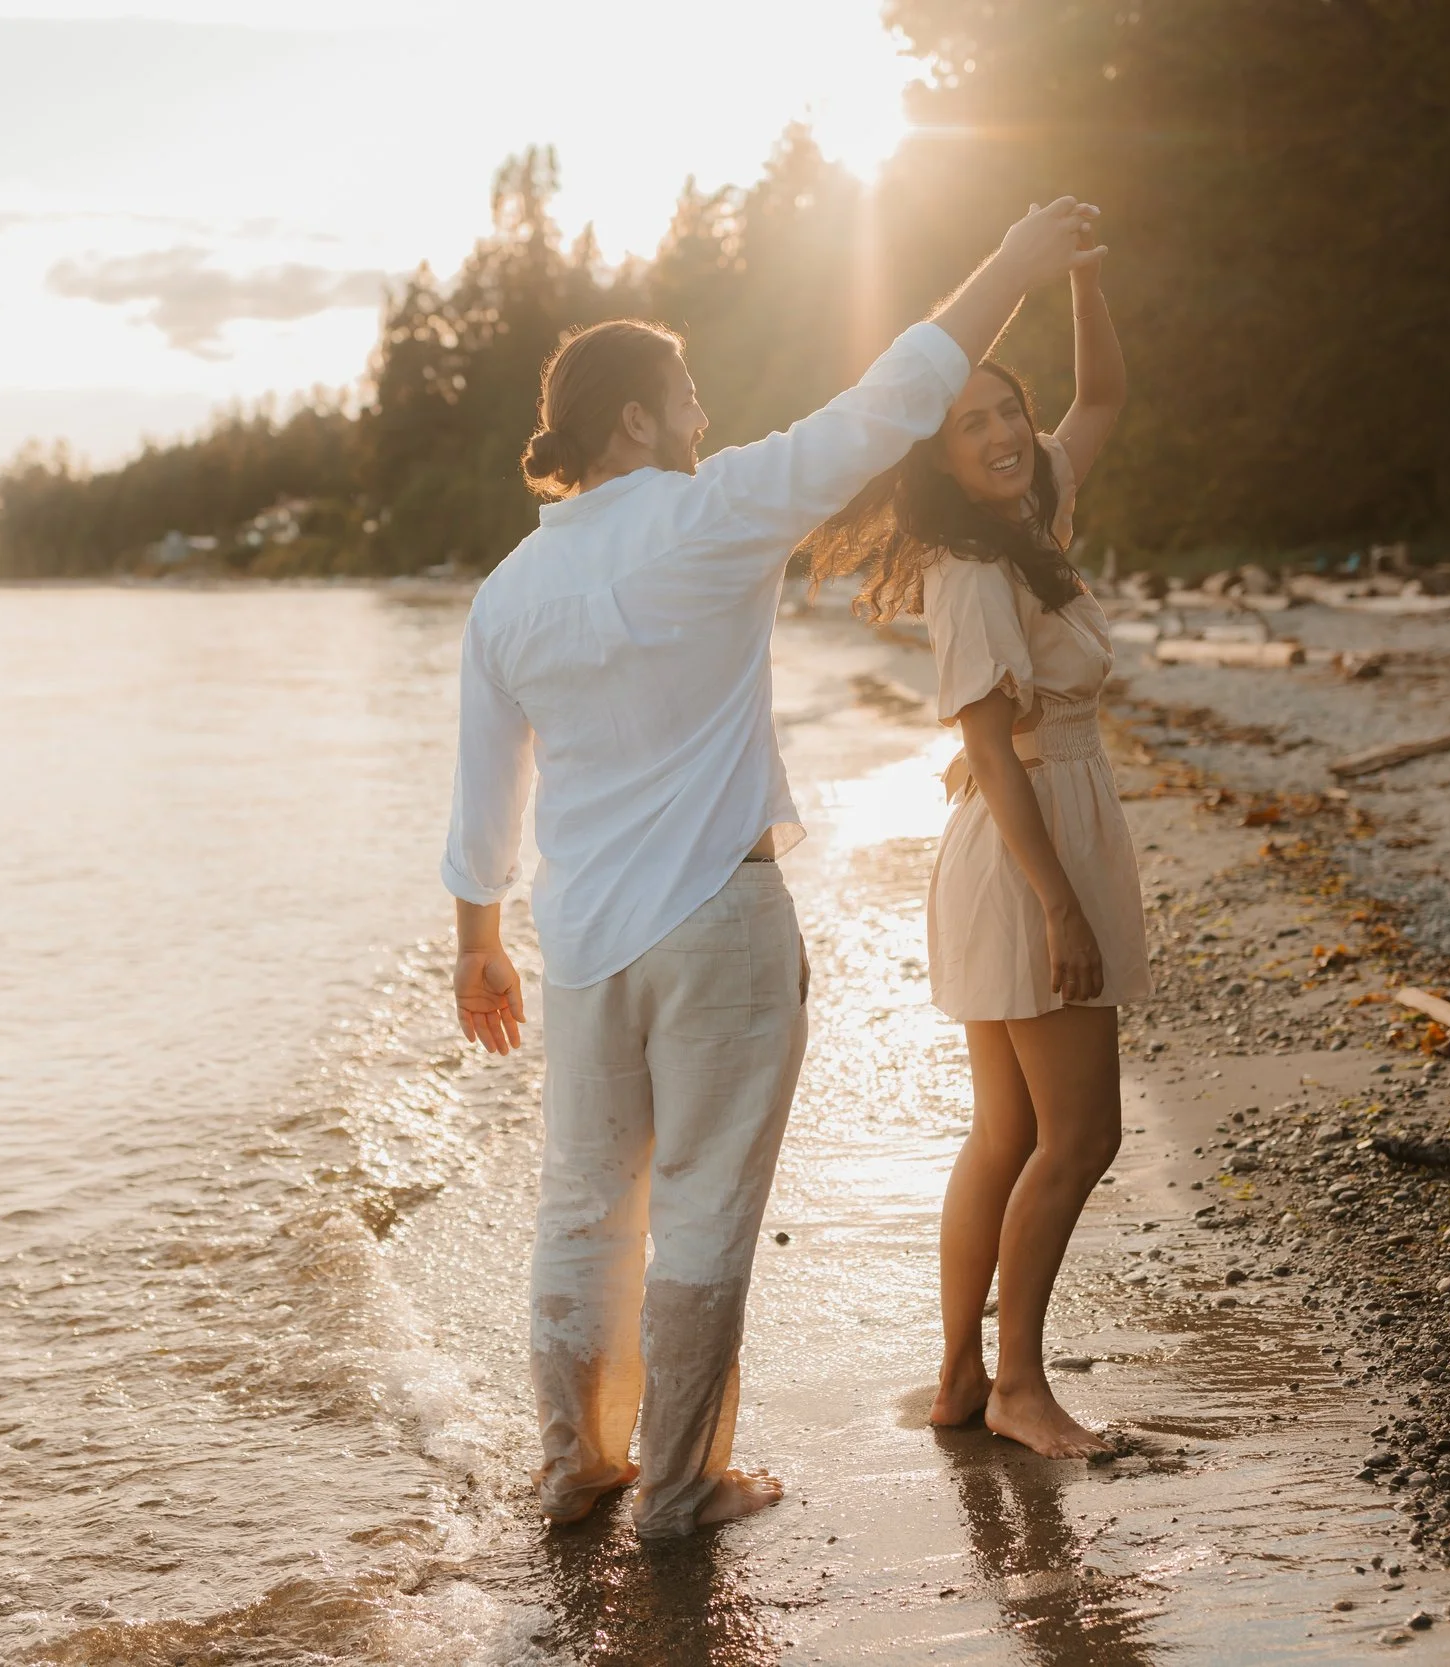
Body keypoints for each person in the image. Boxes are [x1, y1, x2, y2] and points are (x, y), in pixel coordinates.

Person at [442, 198, 1108, 1536]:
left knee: (582, 1204)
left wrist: (479, 940)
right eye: (685, 393)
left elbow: (482, 789)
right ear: (637, 419)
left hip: (582, 938)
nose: (704, 412)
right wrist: (1012, 265)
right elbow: (891, 398)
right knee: (702, 1207)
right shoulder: (714, 510)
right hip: (718, 919)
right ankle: (681, 1485)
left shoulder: (507, 589)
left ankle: (576, 1462)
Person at [800, 230, 1139, 1458]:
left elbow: (1103, 397)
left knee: (1007, 1134)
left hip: (1026, 839)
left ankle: (959, 1374)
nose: (1001, 435)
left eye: (1007, 412)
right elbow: (991, 749)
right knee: (1079, 1134)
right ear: (935, 457)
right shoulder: (971, 568)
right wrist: (1061, 904)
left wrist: (1081, 278)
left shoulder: (1028, 515)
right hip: (1025, 846)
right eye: (969, 425)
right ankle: (1018, 1386)